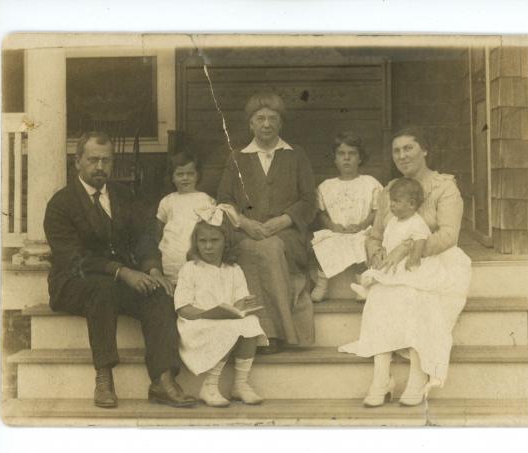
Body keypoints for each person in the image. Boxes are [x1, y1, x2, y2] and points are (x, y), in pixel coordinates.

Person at [43, 131, 197, 409]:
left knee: (159, 293)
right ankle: (104, 377)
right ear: (77, 162)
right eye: (93, 160)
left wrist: (151, 269)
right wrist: (121, 271)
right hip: (73, 283)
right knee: (102, 287)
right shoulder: (61, 204)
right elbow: (72, 259)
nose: (100, 167)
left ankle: (163, 380)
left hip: (119, 282)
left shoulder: (125, 196)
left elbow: (145, 237)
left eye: (107, 161)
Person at [339, 126, 472, 408]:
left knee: (416, 298)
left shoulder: (444, 187)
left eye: (409, 148)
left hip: (435, 260)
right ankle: (381, 378)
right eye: (396, 151)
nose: (402, 155)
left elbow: (449, 235)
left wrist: (409, 250)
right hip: (396, 266)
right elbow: (376, 234)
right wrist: (376, 253)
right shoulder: (390, 191)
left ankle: (417, 375)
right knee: (380, 297)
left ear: (424, 149)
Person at [217, 91, 317, 354]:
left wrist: (283, 221)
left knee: (271, 248)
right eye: (259, 118)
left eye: (273, 118)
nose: (266, 124)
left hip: (287, 235)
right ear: (250, 124)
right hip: (246, 233)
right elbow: (224, 201)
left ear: (281, 123)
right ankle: (266, 332)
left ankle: (274, 333)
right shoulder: (237, 158)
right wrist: (245, 224)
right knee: (257, 249)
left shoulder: (296, 156)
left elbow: (309, 201)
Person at [174, 209, 267, 407]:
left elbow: (239, 302)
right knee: (226, 327)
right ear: (196, 243)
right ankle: (209, 385)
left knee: (251, 322)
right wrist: (207, 313)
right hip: (196, 324)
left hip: (225, 320)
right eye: (203, 241)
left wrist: (241, 306)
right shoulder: (190, 269)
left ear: (225, 241)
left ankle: (240, 384)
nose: (208, 246)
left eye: (214, 240)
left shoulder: (234, 270)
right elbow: (183, 308)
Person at [310, 131, 383, 302]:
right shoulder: (326, 186)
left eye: (352, 154)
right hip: (336, 231)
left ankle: (362, 285)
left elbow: (377, 210)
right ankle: (322, 284)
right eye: (341, 154)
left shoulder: (369, 183)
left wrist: (363, 224)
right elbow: (321, 212)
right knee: (323, 245)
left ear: (360, 158)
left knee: (362, 244)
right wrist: (332, 226)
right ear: (335, 159)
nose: (347, 158)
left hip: (361, 230)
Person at [155, 150, 219, 284]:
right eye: (180, 174)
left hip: (196, 257)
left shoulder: (205, 200)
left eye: (190, 174)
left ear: (197, 176)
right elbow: (158, 231)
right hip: (171, 258)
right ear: (172, 177)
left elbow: (210, 230)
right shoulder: (167, 201)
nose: (185, 178)